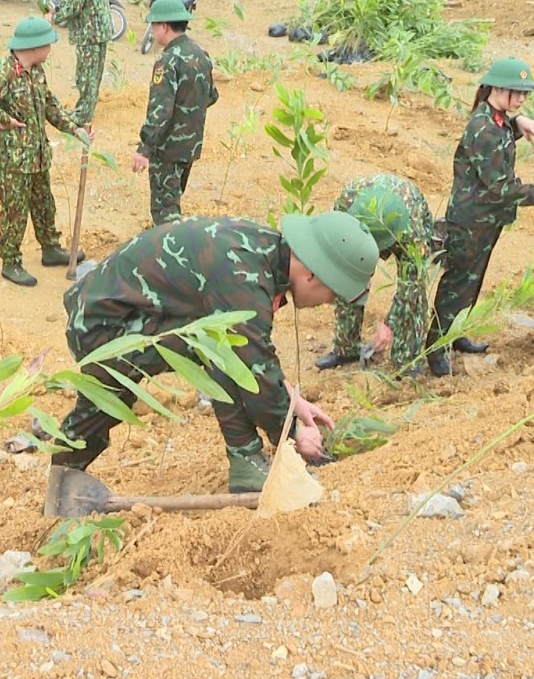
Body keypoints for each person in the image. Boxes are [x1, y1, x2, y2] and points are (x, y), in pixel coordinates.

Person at [50, 212, 379, 494]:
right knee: (210, 348)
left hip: (119, 312)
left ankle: (244, 460)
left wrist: (291, 398)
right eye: (332, 295)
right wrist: (292, 433)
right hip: (103, 327)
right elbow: (252, 366)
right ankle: (64, 477)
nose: (327, 304)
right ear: (311, 274)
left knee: (221, 344)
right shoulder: (244, 275)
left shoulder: (263, 251)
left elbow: (255, 354)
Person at [427, 58, 534, 376]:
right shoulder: (483, 129)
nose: (521, 99)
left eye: (524, 94)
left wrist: (518, 125)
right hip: (471, 220)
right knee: (457, 284)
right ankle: (435, 348)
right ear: (498, 89)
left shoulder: (498, 121)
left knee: (472, 283)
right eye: (516, 93)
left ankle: (457, 332)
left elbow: (502, 136)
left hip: (487, 221)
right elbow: (501, 187)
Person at [0, 17, 90, 287]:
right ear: (35, 46)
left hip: (36, 156)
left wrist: (74, 129)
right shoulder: (5, 73)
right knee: (15, 211)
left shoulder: (35, 71)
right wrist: (3, 119)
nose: (50, 49)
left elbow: (49, 105)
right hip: (13, 160)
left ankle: (50, 248)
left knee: (44, 203)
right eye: (47, 44)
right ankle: (10, 261)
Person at [316, 174, 437, 376]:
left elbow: (410, 287)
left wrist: (389, 325)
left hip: (408, 217)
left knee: (414, 300)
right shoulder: (346, 204)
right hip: (362, 223)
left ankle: (406, 361)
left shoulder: (412, 230)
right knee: (347, 276)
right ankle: (346, 348)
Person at [131, 0, 218, 226]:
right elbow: (211, 96)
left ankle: (173, 255)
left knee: (166, 214)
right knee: (173, 199)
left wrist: (144, 149)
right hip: (190, 147)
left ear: (164, 26)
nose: (152, 31)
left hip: (167, 150)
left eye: (154, 26)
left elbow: (160, 112)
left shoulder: (167, 61)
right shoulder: (200, 54)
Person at [46, 0, 111, 124]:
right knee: (94, 75)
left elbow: (74, 4)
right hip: (100, 28)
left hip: (89, 31)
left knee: (86, 76)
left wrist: (53, 17)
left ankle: (82, 116)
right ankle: (87, 111)